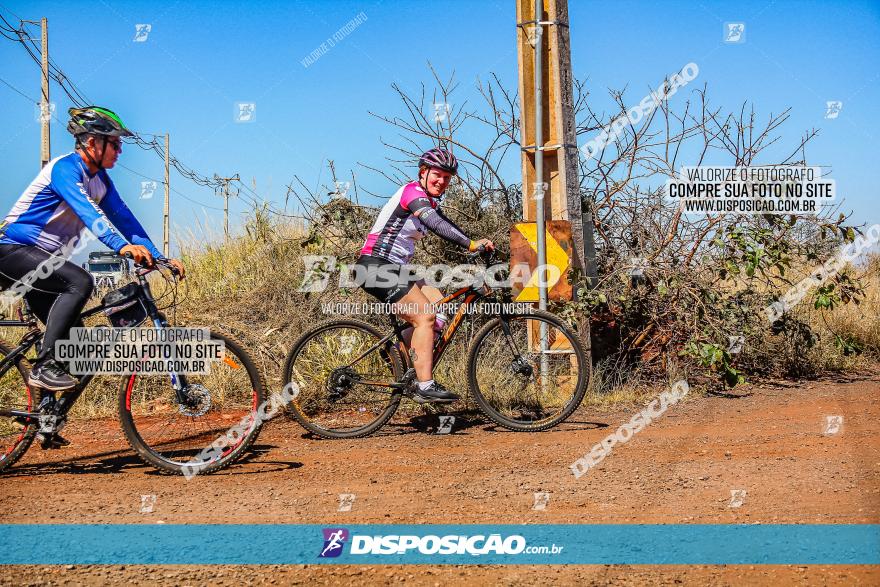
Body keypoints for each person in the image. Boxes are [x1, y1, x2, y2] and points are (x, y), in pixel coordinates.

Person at [0, 106, 186, 402]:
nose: (120, 150)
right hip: (12, 251)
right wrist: (121, 246)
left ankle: (44, 415)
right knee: (81, 282)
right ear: (91, 142)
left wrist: (158, 256)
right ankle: (44, 366)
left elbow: (125, 219)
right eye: (114, 142)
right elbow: (91, 215)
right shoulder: (65, 169)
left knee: (80, 351)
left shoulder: (101, 181)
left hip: (42, 264)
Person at [355, 147, 493, 403]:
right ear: (423, 172)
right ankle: (425, 384)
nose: (441, 181)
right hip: (375, 266)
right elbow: (436, 224)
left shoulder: (429, 201)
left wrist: (475, 242)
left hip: (396, 268)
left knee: (438, 313)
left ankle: (395, 354)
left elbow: (448, 225)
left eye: (447, 178)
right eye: (437, 175)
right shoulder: (412, 193)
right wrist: (471, 245)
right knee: (425, 316)